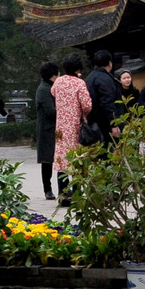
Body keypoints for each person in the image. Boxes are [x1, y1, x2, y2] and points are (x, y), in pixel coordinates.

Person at [50, 54, 90, 203]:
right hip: (75, 126)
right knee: (76, 158)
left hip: (60, 126)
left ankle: (63, 194)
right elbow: (87, 105)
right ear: (78, 68)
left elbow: (52, 92)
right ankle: (76, 193)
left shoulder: (58, 82)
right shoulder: (80, 83)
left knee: (61, 160)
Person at [86, 49, 123, 145]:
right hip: (105, 124)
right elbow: (107, 103)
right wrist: (114, 124)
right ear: (110, 63)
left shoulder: (89, 78)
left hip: (92, 123)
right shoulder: (105, 79)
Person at [33, 61, 57, 199]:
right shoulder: (43, 89)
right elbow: (50, 111)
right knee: (47, 160)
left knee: (59, 159)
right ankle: (47, 189)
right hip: (46, 130)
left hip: (55, 128)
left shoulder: (51, 86)